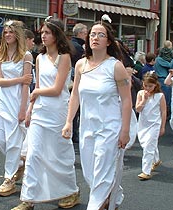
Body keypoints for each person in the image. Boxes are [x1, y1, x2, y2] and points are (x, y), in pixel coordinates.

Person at [62, 16, 132, 210]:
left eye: (101, 35)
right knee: (91, 174)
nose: (95, 38)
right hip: (87, 127)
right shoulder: (81, 65)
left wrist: (125, 130)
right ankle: (112, 198)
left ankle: (97, 205)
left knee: (102, 172)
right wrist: (68, 122)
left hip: (109, 128)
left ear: (108, 41)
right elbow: (75, 94)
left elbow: (126, 100)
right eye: (93, 34)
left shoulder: (115, 66)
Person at [12, 17, 79, 210]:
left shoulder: (64, 57)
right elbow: (40, 85)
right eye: (42, 32)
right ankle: (28, 198)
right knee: (34, 154)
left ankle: (70, 191)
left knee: (59, 153)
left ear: (57, 35)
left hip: (58, 110)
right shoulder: (39, 58)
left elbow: (58, 88)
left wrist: (35, 93)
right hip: (41, 110)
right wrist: (30, 109)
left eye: (47, 32)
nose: (43, 35)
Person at [0, 20, 33, 197]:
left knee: (14, 140)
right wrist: (19, 79)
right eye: (5, 32)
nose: (7, 34)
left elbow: (27, 85)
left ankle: (9, 178)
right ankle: (19, 164)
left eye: (11, 32)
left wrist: (23, 109)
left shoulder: (26, 55)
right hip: (2, 99)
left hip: (17, 99)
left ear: (17, 34)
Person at [136, 71, 166, 180]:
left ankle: (146, 171)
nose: (148, 88)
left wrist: (162, 126)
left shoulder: (160, 96)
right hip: (143, 124)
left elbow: (163, 111)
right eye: (146, 85)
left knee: (148, 146)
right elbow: (138, 109)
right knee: (146, 144)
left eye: (150, 86)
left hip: (155, 124)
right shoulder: (140, 94)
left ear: (155, 85)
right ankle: (156, 159)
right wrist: (144, 99)